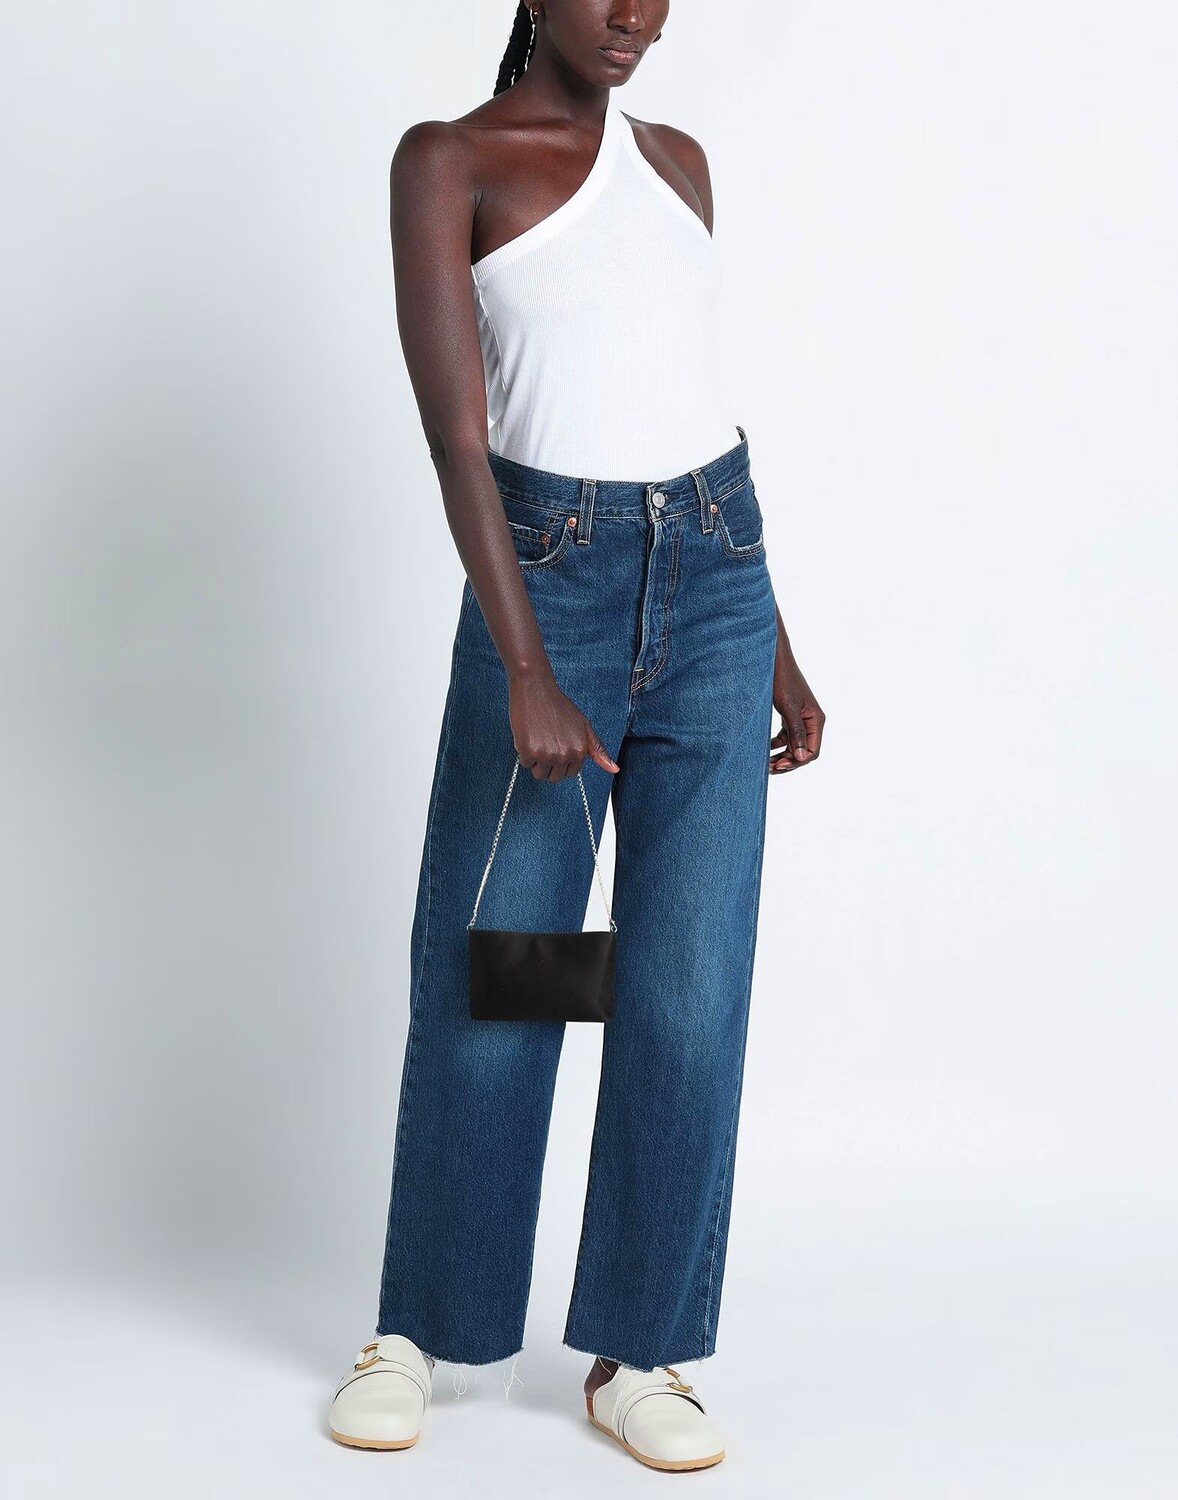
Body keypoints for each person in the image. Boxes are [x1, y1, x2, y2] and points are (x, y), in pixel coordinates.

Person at [328, 0, 824, 1472]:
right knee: (510, 969)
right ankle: (422, 1327)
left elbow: (685, 402)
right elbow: (456, 435)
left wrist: (776, 645)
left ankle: (641, 1350)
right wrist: (527, 667)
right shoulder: (450, 159)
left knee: (685, 987)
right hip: (551, 582)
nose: (631, 14)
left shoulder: (679, 163)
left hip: (718, 577)